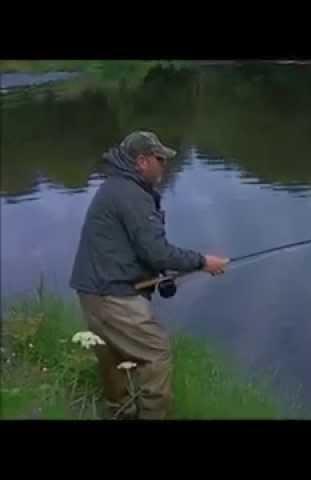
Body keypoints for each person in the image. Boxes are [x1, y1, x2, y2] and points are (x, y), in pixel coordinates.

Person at [70, 131, 228, 419]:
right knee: (155, 354)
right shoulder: (131, 195)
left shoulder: (116, 187)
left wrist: (159, 272)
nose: (164, 165)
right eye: (159, 159)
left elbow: (138, 250)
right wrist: (203, 261)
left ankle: (121, 415)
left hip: (93, 292)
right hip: (112, 296)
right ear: (142, 161)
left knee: (115, 362)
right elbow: (158, 252)